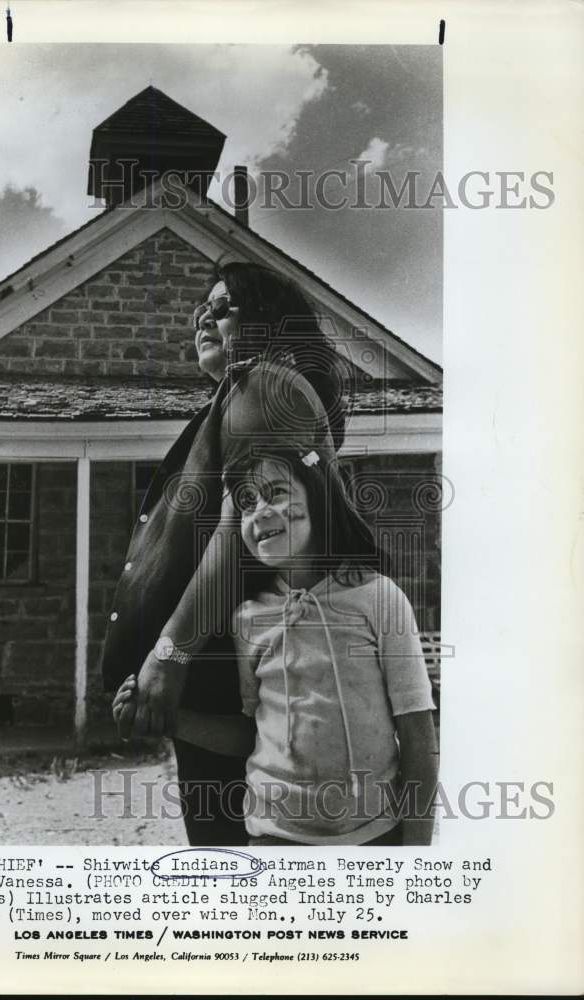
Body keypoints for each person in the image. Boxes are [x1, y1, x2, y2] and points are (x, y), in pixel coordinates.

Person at [101, 261, 359, 845]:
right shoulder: (250, 394)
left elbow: (237, 534)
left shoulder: (263, 384)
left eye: (225, 307)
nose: (204, 318)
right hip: (236, 677)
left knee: (234, 859)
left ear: (271, 322)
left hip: (236, 675)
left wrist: (169, 656)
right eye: (202, 308)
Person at [114, 448, 439, 845]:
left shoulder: (379, 599)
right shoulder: (248, 619)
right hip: (274, 841)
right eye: (246, 503)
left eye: (276, 493)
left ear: (318, 497)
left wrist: (417, 856)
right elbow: (253, 734)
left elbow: (419, 735)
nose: (260, 512)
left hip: (372, 839)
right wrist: (164, 719)